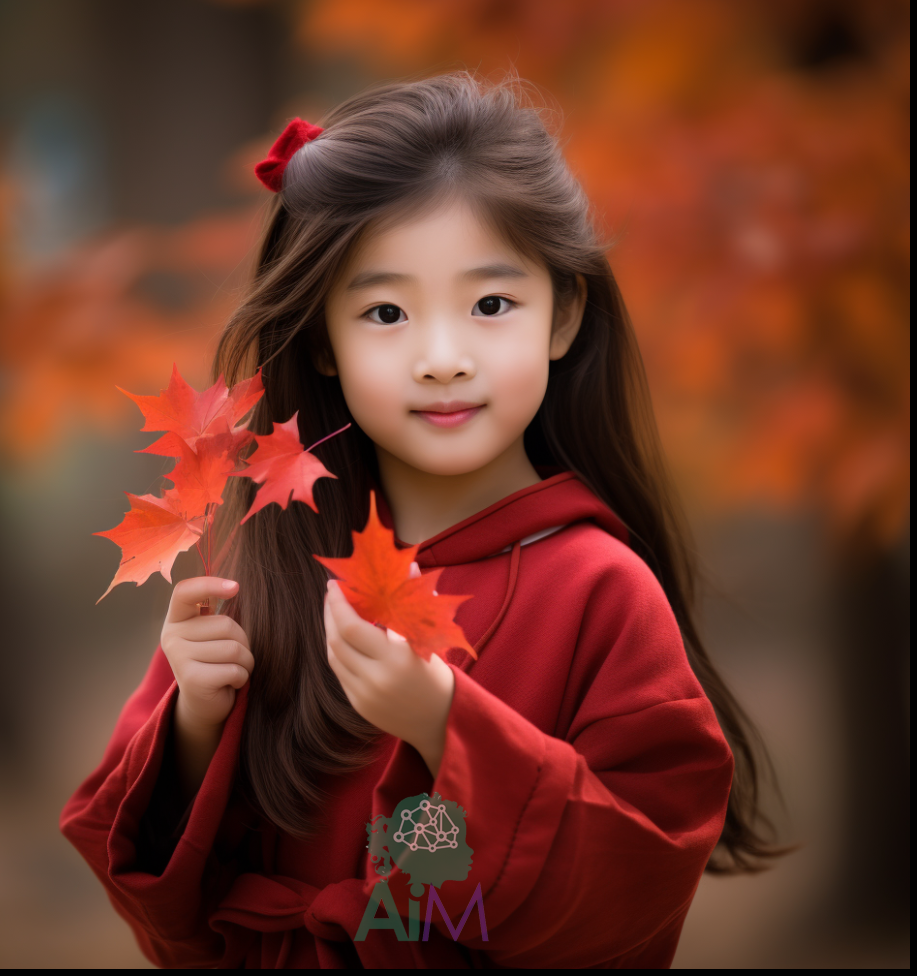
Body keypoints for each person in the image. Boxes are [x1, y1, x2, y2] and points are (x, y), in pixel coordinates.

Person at [61, 73, 780, 968]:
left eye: (490, 304)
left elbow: (637, 884)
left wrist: (446, 724)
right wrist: (194, 725)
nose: (442, 359)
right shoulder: (273, 572)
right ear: (324, 342)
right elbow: (169, 918)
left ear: (564, 314)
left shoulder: (600, 589)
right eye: (387, 313)